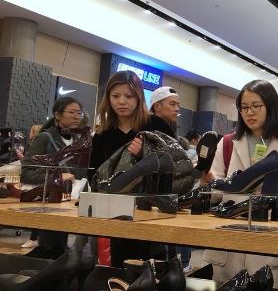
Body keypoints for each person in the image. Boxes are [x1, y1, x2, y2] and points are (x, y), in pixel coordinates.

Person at [203, 79, 278, 290]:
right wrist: (209, 183)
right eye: (244, 107)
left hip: (269, 248)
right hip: (229, 244)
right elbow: (213, 191)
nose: (249, 113)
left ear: (270, 106)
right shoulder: (228, 143)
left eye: (256, 106)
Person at [90, 70, 178, 267]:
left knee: (153, 267)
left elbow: (173, 166)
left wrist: (144, 155)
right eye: (115, 96)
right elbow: (93, 175)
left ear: (138, 97)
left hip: (152, 212)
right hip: (115, 213)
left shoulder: (156, 125)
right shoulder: (103, 134)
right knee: (118, 268)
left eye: (128, 96)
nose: (121, 101)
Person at [21, 97, 84, 259]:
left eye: (79, 113)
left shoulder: (78, 141)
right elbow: (27, 173)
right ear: (57, 115)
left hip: (69, 205)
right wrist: (58, 177)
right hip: (49, 205)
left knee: (60, 251)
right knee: (51, 250)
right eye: (71, 112)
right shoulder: (44, 138)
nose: (77, 117)